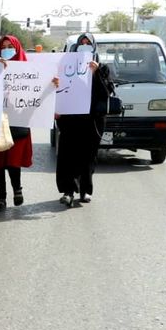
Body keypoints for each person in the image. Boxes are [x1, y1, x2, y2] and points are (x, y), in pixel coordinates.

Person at [56, 33, 111, 206]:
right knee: (67, 154)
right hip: (70, 119)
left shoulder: (102, 68)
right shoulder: (64, 66)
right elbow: (57, 89)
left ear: (94, 46)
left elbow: (107, 92)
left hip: (92, 121)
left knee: (88, 156)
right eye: (82, 43)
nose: (85, 45)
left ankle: (85, 190)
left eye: (88, 43)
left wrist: (96, 74)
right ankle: (68, 190)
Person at [0, 35, 33, 212]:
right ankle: (1, 198)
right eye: (3, 46)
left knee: (13, 161)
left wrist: (52, 85)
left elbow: (37, 90)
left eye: (10, 46)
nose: (6, 49)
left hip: (18, 122)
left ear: (17, 48)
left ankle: (17, 189)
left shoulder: (28, 69)